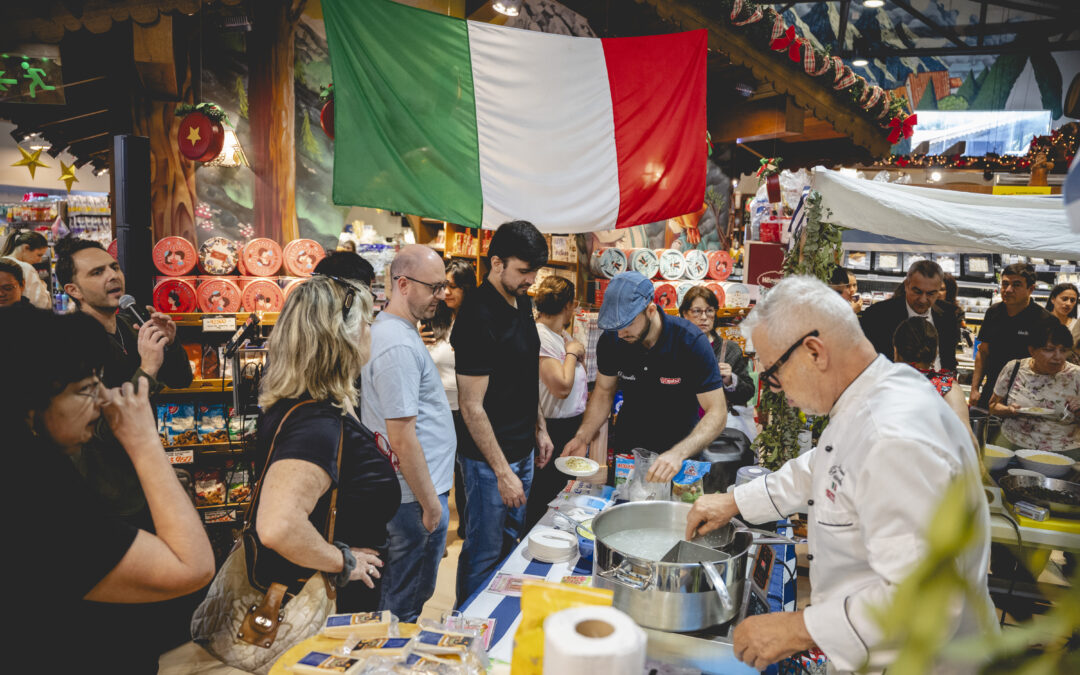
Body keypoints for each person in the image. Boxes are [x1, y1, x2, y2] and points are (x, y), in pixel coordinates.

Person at [685, 275, 995, 674]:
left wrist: (799, 629)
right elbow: (824, 464)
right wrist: (735, 501)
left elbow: (927, 598)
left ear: (814, 351)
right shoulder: (873, 393)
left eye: (774, 374)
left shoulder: (893, 437)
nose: (774, 389)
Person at [4, 306, 214, 669]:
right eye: (86, 389)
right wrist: (144, 441)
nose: (102, 400)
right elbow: (191, 567)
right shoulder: (33, 494)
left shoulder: (35, 465)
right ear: (28, 405)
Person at [255, 274, 398, 614]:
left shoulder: (307, 403)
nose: (371, 332)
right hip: (327, 599)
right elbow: (278, 526)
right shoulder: (315, 424)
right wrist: (342, 560)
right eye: (367, 323)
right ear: (343, 336)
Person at [451, 220, 553, 604]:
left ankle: (494, 624)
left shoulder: (522, 301)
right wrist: (501, 471)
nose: (531, 279)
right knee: (483, 552)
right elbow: (471, 406)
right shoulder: (477, 316)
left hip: (521, 449)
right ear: (497, 262)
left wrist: (540, 428)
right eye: (524, 271)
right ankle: (464, 633)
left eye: (534, 271)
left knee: (511, 545)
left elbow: (526, 376)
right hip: (487, 462)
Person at [360, 245, 456, 622]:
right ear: (403, 284)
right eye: (434, 287)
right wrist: (431, 504)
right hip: (412, 497)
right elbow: (401, 436)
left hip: (415, 493)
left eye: (443, 285)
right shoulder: (396, 344)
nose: (442, 295)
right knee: (404, 601)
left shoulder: (398, 332)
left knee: (406, 593)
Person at [562, 271, 727, 482]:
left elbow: (717, 412)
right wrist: (582, 436)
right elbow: (603, 393)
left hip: (680, 454)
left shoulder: (690, 342)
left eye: (628, 324)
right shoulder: (613, 340)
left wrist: (679, 453)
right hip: (630, 453)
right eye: (616, 327)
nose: (621, 333)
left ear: (650, 310)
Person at [525, 276, 588, 531]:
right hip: (551, 428)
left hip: (569, 425)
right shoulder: (541, 335)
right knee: (544, 500)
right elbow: (561, 386)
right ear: (569, 305)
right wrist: (573, 352)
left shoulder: (559, 333)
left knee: (562, 498)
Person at [424, 258, 477, 538]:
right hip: (437, 408)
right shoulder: (434, 320)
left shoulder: (477, 322)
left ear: (468, 288)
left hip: (466, 407)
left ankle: (467, 527)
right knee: (438, 470)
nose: (447, 293)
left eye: (454, 287)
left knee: (465, 472)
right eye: (444, 286)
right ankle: (438, 528)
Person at [988, 318, 1080, 453]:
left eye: (1063, 350)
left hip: (1062, 450)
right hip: (1011, 445)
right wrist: (1008, 410)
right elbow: (993, 406)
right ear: (1032, 350)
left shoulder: (1076, 375)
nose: (1058, 357)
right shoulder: (1014, 368)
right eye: (1049, 349)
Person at [970, 263, 1051, 409]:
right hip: (991, 391)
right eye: (1005, 284)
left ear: (1030, 289)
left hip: (1027, 396)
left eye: (1016, 285)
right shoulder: (993, 312)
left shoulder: (1045, 320)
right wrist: (975, 389)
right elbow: (983, 352)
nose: (1008, 290)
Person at [859, 260, 959, 371]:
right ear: (907, 285)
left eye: (931, 293)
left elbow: (949, 360)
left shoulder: (948, 315)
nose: (923, 300)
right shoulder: (877, 315)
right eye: (917, 291)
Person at [893, 317, 973, 437]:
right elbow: (967, 441)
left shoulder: (882, 384)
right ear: (935, 353)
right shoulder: (947, 387)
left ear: (895, 351)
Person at [679, 285, 754, 409]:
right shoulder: (673, 347)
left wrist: (731, 381)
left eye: (709, 310)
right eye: (697, 311)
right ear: (685, 314)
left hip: (718, 424)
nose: (704, 317)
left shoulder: (730, 350)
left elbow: (747, 393)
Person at [1, 230, 51, 308]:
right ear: (26, 248)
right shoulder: (26, 268)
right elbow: (40, 303)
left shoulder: (2, 261)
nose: (40, 260)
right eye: (39, 255)